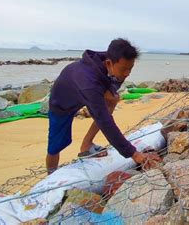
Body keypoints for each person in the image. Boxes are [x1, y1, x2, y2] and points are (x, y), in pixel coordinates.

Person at [46, 38, 161, 173]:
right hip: (62, 103)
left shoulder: (110, 59)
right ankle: (51, 175)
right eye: (124, 69)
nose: (127, 73)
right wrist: (134, 154)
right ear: (109, 63)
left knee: (113, 99)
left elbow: (112, 81)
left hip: (84, 89)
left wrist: (114, 84)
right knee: (55, 146)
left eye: (130, 68)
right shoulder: (89, 84)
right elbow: (105, 122)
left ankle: (86, 145)